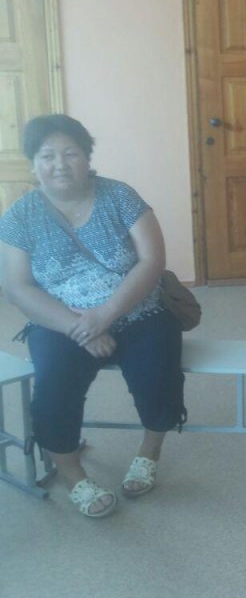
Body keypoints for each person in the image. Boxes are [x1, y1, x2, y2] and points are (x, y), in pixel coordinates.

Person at [0, 114, 186, 518]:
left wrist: (106, 314)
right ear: (33, 164)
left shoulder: (120, 196)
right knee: (53, 386)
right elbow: (18, 288)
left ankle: (149, 451)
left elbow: (152, 261)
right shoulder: (19, 216)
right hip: (60, 321)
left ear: (87, 157)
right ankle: (73, 475)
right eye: (47, 155)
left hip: (138, 310)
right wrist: (80, 328)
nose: (59, 164)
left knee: (158, 373)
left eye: (70, 153)